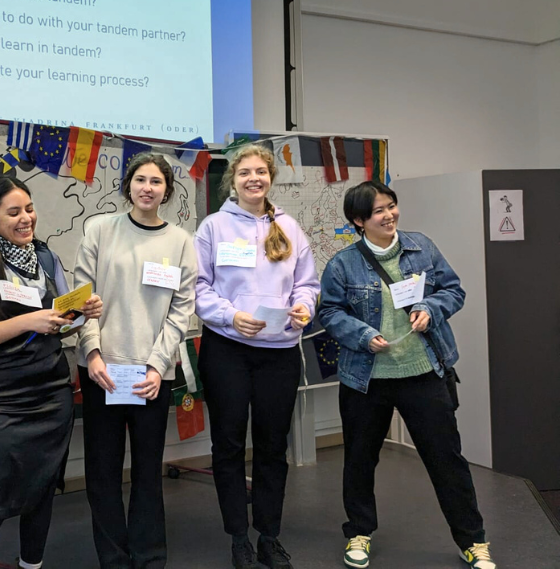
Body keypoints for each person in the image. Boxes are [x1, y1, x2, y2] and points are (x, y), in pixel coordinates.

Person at [317, 181, 495, 569]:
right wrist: (363, 336)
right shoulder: (343, 264)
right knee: (360, 461)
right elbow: (328, 313)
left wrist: (432, 307)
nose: (389, 215)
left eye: (392, 206)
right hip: (366, 380)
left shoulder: (421, 247)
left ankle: (473, 541)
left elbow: (453, 289)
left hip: (423, 372)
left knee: (447, 462)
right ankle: (359, 533)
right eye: (378, 211)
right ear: (359, 221)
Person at [0, 176, 102, 569]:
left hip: (50, 393)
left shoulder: (47, 258)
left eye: (30, 209)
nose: (26, 219)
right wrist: (30, 321)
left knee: (41, 493)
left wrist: (80, 315)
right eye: (14, 212)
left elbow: (63, 323)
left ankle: (30, 566)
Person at [193, 143, 319, 569]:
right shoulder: (212, 227)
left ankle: (268, 535)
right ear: (233, 179)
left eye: (260, 172)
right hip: (227, 350)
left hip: (279, 353)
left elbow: (307, 284)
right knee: (227, 446)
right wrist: (231, 316)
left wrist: (305, 307)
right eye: (245, 172)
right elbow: (198, 288)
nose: (253, 179)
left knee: (271, 447)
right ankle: (237, 538)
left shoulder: (290, 227)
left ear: (270, 177)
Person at [74, 152, 197, 569]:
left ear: (167, 189)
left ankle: (148, 557)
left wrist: (156, 366)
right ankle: (113, 558)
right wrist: (92, 353)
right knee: (103, 474)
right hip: (102, 372)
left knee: (147, 472)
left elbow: (182, 310)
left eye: (157, 181)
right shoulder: (100, 229)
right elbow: (82, 296)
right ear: (128, 185)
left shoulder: (180, 241)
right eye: (141, 179)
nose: (148, 187)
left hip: (150, 377)